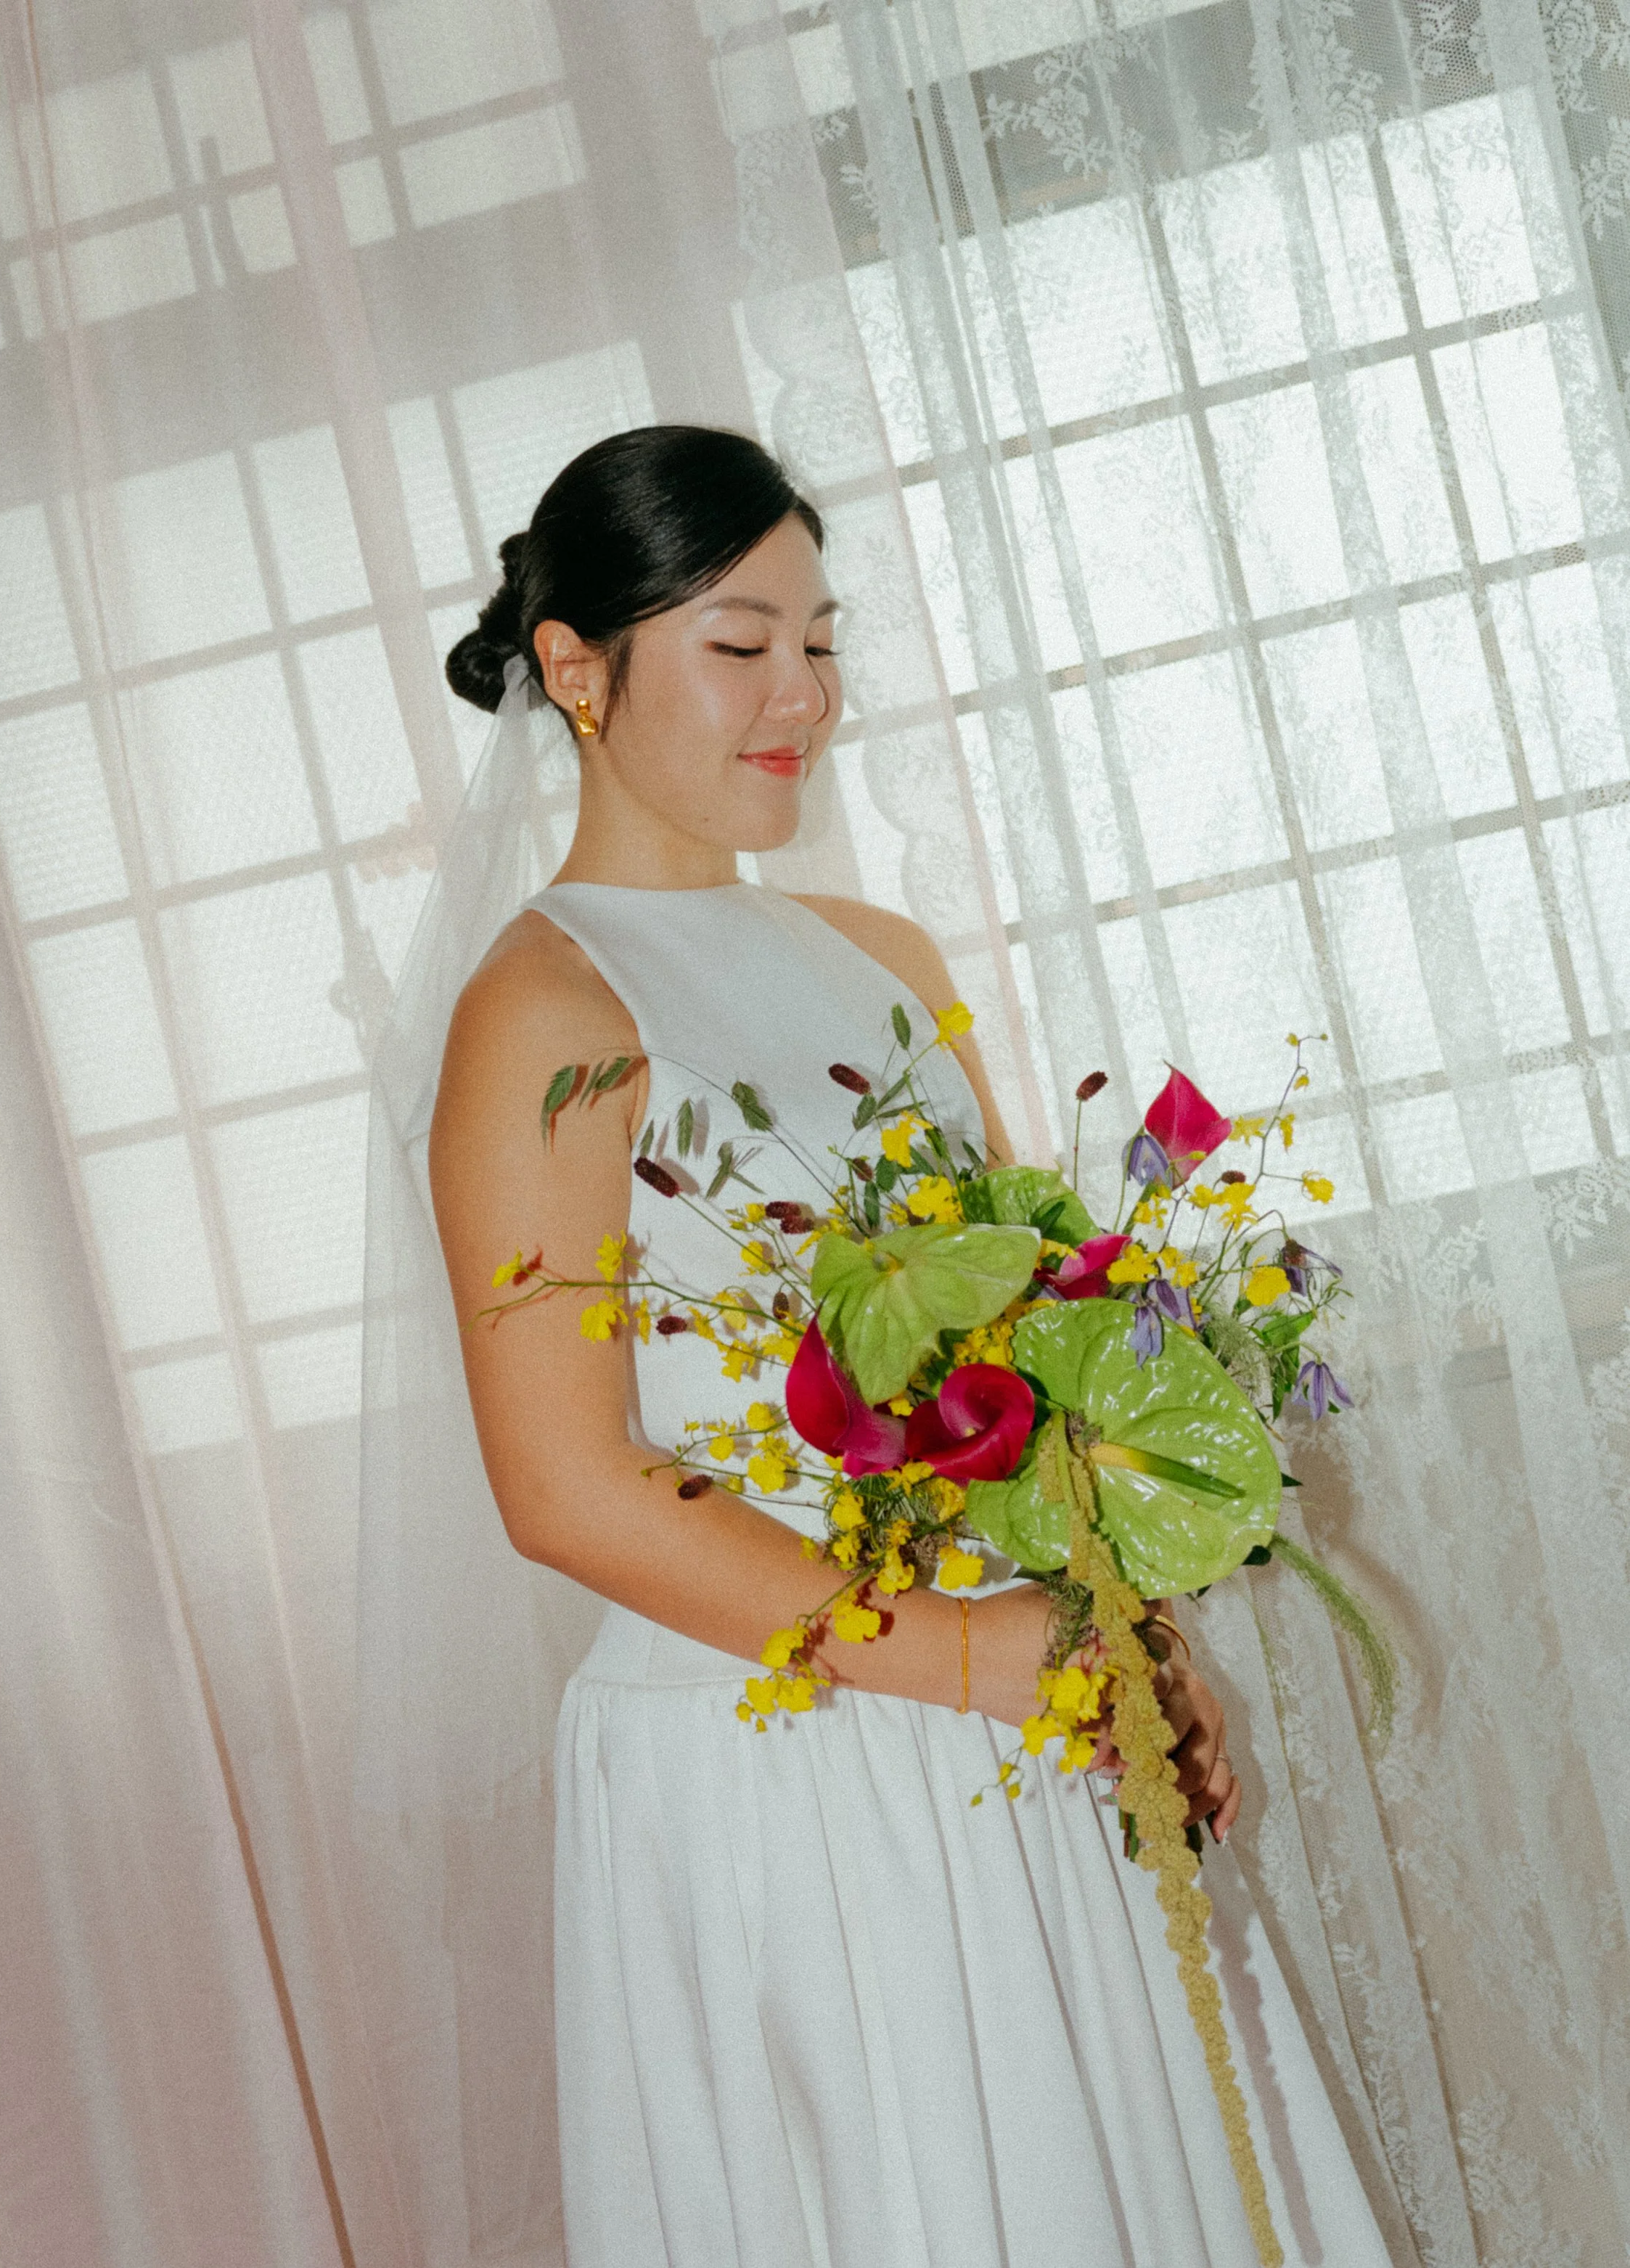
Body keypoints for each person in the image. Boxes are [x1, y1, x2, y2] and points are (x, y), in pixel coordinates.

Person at [405, 425, 1391, 2264]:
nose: (805, 696)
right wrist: (965, 1651)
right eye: (742, 642)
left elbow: (1018, 1357)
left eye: (822, 639)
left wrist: (1124, 1632)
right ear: (574, 668)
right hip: (779, 1743)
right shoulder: (543, 1004)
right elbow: (561, 1483)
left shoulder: (882, 952)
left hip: (1007, 1696)